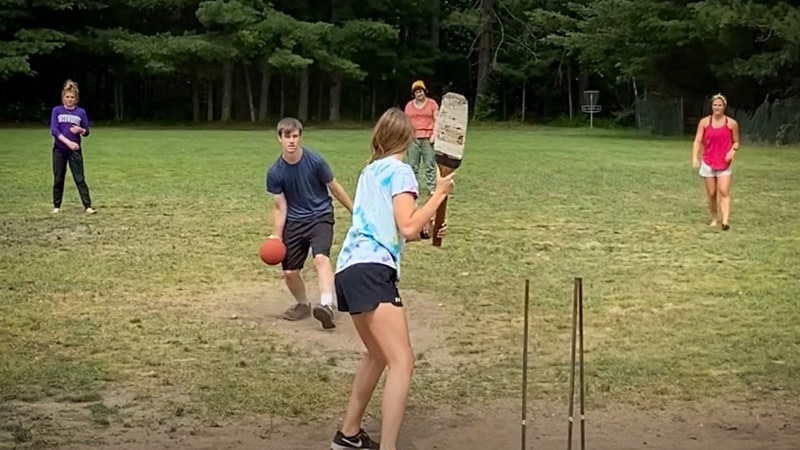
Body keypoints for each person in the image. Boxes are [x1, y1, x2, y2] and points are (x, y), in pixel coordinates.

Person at [326, 107, 455, 450]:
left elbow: (405, 230)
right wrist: (438, 195)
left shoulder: (370, 171)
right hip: (373, 271)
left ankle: (348, 435)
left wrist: (428, 231)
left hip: (349, 270)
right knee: (403, 361)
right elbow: (407, 225)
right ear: (409, 138)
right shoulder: (400, 172)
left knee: (378, 354)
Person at [265, 117, 354, 330]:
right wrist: (276, 235)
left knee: (321, 258)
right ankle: (303, 304)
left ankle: (326, 306)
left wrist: (355, 211)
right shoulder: (275, 172)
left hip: (320, 216)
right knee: (289, 273)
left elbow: (334, 187)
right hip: (295, 221)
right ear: (280, 139)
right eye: (287, 136)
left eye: (295, 136)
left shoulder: (315, 161)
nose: (292, 141)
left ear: (300, 137)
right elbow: (280, 207)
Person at [692, 93, 740, 230]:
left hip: (724, 163)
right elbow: (697, 141)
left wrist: (733, 151)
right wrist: (695, 157)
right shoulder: (705, 122)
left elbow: (736, 142)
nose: (717, 107)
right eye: (715, 105)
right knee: (712, 193)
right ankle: (714, 218)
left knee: (724, 191)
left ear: (724, 107)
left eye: (720, 105)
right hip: (708, 161)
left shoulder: (731, 123)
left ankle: (725, 221)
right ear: (712, 106)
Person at [50, 79, 96, 215]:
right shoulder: (57, 111)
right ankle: (56, 206)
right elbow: (54, 130)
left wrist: (80, 130)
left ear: (76, 99)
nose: (70, 99)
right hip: (59, 150)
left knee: (79, 178)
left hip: (75, 152)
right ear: (63, 97)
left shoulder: (81, 112)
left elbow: (87, 131)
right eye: (67, 97)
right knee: (59, 178)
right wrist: (68, 143)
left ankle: (87, 206)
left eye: (72, 97)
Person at [403, 80, 439, 196]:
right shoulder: (409, 106)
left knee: (429, 164)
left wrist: (435, 134)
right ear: (414, 94)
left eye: (421, 91)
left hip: (428, 138)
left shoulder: (432, 104)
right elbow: (406, 122)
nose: (419, 94)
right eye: (417, 92)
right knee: (413, 165)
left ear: (425, 91)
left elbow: (437, 120)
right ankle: (413, 188)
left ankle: (431, 188)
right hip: (413, 138)